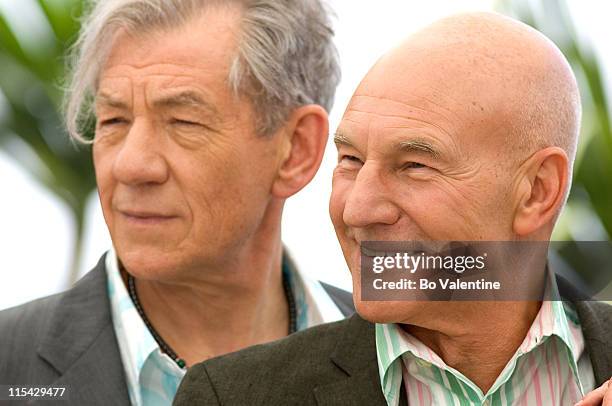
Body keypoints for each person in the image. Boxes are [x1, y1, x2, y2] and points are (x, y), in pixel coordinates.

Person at [174, 12, 612, 406]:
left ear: (537, 191)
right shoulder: (230, 396)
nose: (357, 210)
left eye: (414, 166)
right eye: (350, 160)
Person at [0, 1, 354, 405]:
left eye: (183, 122)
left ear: (295, 149)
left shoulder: (408, 359)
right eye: (114, 120)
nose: (131, 165)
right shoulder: (9, 367)